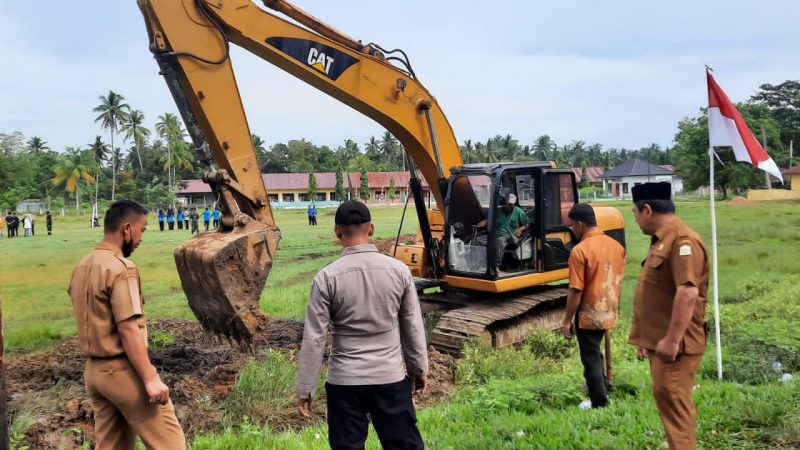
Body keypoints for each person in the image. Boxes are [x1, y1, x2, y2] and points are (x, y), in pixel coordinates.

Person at [297, 200, 428, 450]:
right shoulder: (399, 271)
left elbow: (314, 338)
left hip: (345, 382)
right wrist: (419, 367)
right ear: (371, 229)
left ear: (337, 232)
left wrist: (305, 388)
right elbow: (411, 325)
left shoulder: (326, 278)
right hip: (390, 377)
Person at [67, 200, 186, 449]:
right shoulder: (122, 269)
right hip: (123, 372)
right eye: (142, 230)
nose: (141, 238)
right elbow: (128, 328)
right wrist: (150, 378)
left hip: (94, 374)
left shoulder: (82, 266)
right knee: (171, 444)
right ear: (127, 229)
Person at [628, 182, 708, 450]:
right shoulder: (663, 241)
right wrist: (647, 338)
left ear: (647, 210)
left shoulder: (683, 241)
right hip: (661, 342)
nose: (635, 220)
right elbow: (658, 294)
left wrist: (672, 340)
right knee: (670, 406)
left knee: (676, 411)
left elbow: (687, 293)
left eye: (635, 213)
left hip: (678, 347)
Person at [562, 203, 625, 409]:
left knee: (589, 358)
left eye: (572, 225)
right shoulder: (616, 246)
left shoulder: (580, 251)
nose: (572, 229)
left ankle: (599, 402)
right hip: (610, 308)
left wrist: (567, 320)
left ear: (580, 224)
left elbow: (575, 290)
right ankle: (604, 387)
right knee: (596, 352)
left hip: (589, 312)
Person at [477, 192, 529, 269]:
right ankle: (480, 263)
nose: (508, 206)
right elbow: (491, 219)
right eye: (507, 204)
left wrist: (520, 229)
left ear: (514, 204)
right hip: (495, 233)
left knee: (498, 241)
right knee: (477, 240)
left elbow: (527, 224)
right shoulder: (499, 210)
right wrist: (485, 221)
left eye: (511, 205)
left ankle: (495, 266)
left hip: (509, 234)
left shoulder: (519, 212)